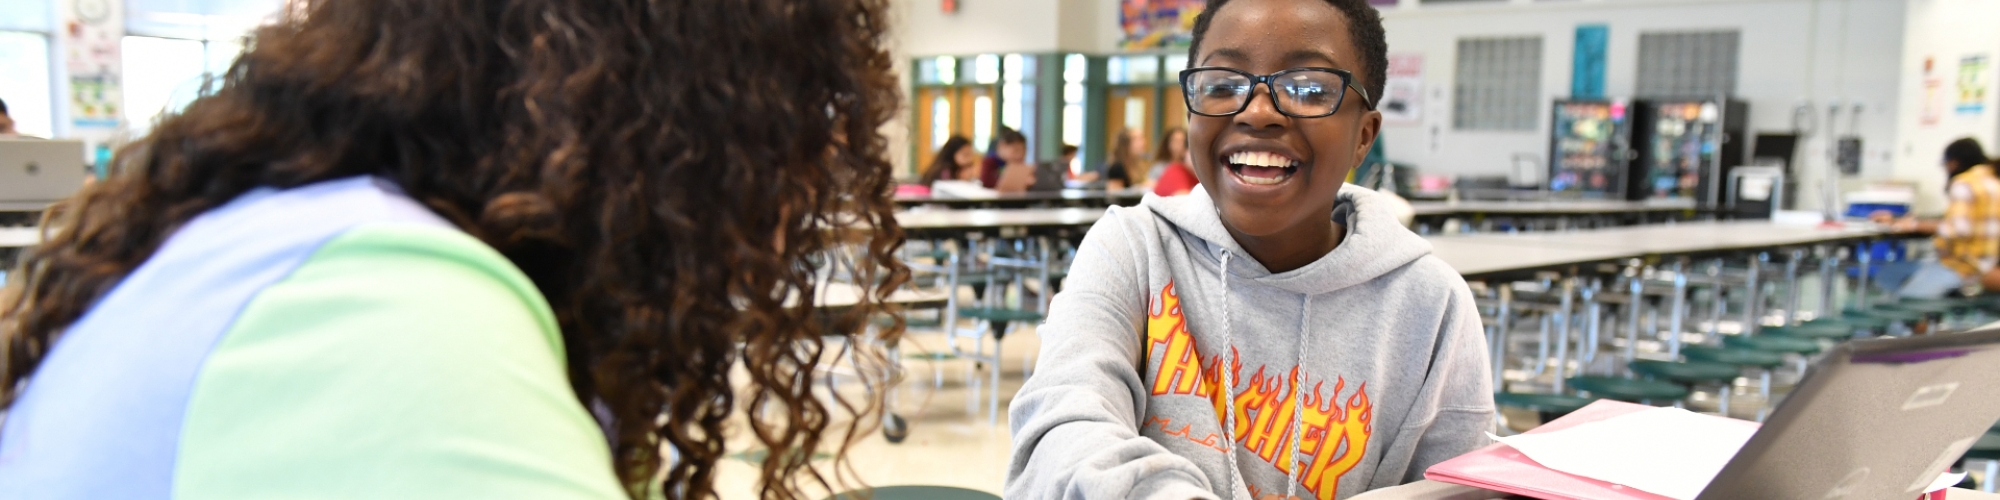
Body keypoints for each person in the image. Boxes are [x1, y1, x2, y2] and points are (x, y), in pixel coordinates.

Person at [0, 0, 909, 499]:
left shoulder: (293, 244)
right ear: (681, 133)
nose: (789, 201)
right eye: (787, 133)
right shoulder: (385, 314)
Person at [1006, 0, 1493, 499]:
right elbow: (1063, 421)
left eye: (1308, 90)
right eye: (1222, 85)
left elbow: (1462, 487)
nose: (1258, 112)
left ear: (1362, 137)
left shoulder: (1432, 307)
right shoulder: (1133, 249)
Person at [1869, 137, 2000, 298]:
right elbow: (1961, 219)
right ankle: (1924, 318)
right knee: (1891, 275)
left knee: (1898, 292)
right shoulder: (1993, 181)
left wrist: (1913, 225)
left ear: (1952, 163)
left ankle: (1911, 318)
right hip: (1985, 265)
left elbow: (1958, 229)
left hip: (1963, 267)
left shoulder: (1964, 183)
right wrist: (1908, 220)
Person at [1153, 126, 1199, 196]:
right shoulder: (1175, 171)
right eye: (1194, 152)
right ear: (1184, 151)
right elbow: (1184, 200)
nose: (1199, 157)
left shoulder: (1198, 177)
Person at [991, 127, 1036, 193]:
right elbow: (988, 182)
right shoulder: (991, 162)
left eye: (1023, 150)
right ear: (1002, 146)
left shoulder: (1025, 168)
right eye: (1016, 150)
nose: (1020, 155)